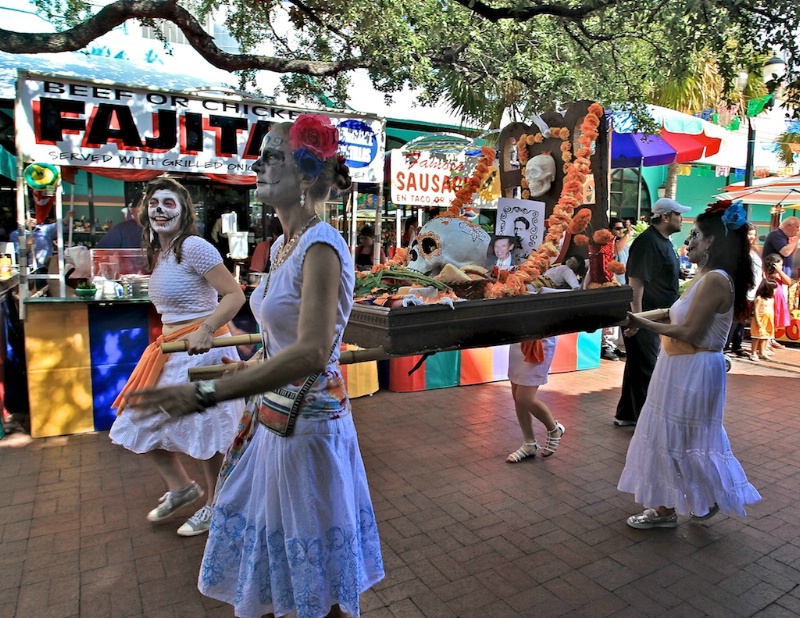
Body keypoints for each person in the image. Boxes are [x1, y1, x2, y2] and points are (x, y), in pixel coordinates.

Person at [126, 115, 384, 617]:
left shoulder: (322, 245)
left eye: (273, 156)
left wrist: (209, 393)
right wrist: (235, 368)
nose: (259, 164)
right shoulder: (286, 245)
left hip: (307, 429)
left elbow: (311, 352)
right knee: (291, 564)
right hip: (275, 421)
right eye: (262, 154)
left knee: (315, 575)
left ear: (307, 175)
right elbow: (280, 340)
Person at [109, 177, 246, 537]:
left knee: (209, 433)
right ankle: (181, 488)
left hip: (205, 350)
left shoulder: (195, 246)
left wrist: (206, 329)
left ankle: (216, 507)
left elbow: (234, 295)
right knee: (140, 418)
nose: (159, 210)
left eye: (168, 203)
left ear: (184, 211)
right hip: (171, 350)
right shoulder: (163, 251)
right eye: (154, 204)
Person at [618, 200, 760, 528]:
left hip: (694, 368)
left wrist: (641, 323)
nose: (689, 241)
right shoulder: (704, 276)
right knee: (683, 437)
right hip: (679, 366)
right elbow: (672, 311)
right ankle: (696, 500)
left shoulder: (715, 280)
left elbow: (688, 331)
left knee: (680, 437)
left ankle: (667, 510)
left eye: (695, 234)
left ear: (711, 242)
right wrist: (635, 318)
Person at [614, 197, 689, 427]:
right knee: (646, 367)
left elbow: (659, 272)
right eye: (678, 214)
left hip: (654, 315)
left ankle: (626, 413)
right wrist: (637, 319)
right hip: (645, 315)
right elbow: (636, 282)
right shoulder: (648, 242)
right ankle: (648, 422)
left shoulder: (664, 241)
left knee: (639, 365)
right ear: (665, 217)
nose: (681, 219)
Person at [505, 337, 566, 463]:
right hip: (519, 337)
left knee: (524, 397)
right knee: (517, 395)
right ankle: (529, 443)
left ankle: (554, 429)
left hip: (540, 340)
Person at [726, 223, 761, 357]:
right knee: (735, 318)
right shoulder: (738, 250)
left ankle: (737, 344)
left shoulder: (754, 250)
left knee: (742, 319)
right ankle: (726, 345)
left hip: (752, 291)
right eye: (749, 233)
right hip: (742, 290)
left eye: (753, 234)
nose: (751, 237)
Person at [762, 253, 792, 351]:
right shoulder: (766, 274)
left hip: (779, 299)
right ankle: (766, 341)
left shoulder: (779, 274)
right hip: (771, 299)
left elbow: (788, 282)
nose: (781, 266)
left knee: (775, 319)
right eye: (780, 264)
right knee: (768, 319)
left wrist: (779, 271)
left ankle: (772, 339)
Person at [750, 278, 776, 361]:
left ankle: (762, 352)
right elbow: (756, 310)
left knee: (765, 336)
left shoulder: (771, 299)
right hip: (760, 320)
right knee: (757, 336)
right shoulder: (759, 298)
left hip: (768, 320)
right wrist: (757, 321)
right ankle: (753, 352)